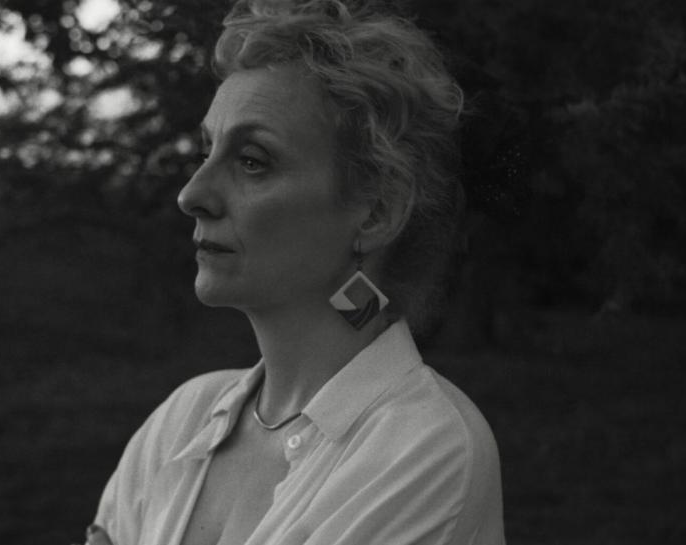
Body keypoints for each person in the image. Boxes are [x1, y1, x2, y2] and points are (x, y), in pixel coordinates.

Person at [80, 0, 504, 543]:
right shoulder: (182, 421)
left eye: (252, 161)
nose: (192, 194)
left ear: (376, 212)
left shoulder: (424, 448)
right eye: (206, 151)